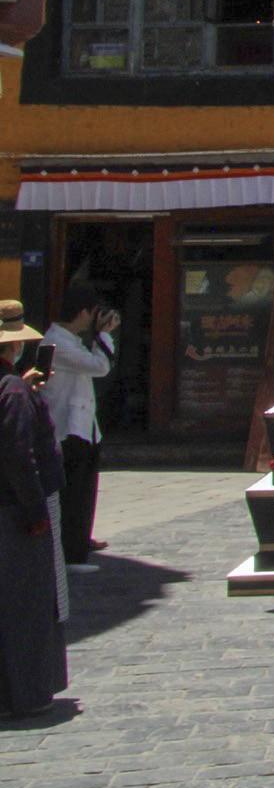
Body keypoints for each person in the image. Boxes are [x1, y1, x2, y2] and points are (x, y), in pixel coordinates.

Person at [0, 301, 68, 716]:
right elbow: (17, 453)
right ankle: (24, 692)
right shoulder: (12, 391)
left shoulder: (13, 387)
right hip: (13, 511)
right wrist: (35, 511)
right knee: (23, 605)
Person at [38, 286, 115, 574]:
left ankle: (79, 542)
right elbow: (100, 366)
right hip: (68, 430)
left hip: (83, 427)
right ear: (83, 313)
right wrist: (104, 334)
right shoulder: (58, 343)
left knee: (83, 492)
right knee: (73, 496)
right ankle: (71, 555)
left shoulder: (69, 339)